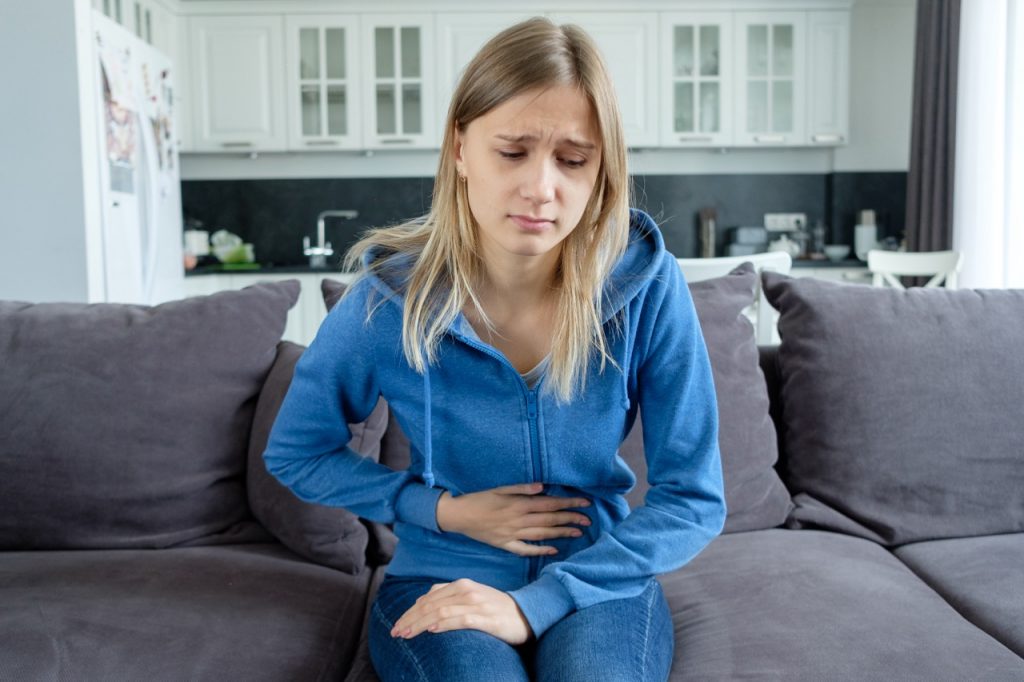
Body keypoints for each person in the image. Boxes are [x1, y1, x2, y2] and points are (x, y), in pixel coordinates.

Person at [263, 16, 726, 682]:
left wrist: (538, 603)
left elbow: (694, 499)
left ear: (602, 171)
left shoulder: (648, 287)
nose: (542, 187)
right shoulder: (386, 300)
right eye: (512, 151)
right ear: (460, 149)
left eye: (573, 159)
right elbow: (297, 450)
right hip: (440, 575)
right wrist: (439, 509)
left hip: (596, 585)